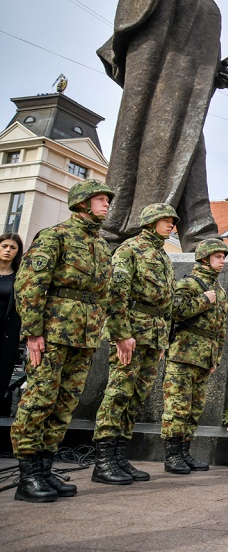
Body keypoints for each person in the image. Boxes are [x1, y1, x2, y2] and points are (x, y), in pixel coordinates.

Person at [99, 0, 228, 251]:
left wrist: (216, 72)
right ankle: (133, 226)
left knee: (190, 146)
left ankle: (198, 231)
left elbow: (194, 46)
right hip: (158, 86)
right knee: (169, 146)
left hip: (185, 87)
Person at [9, 180, 114, 502]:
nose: (106, 204)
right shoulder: (55, 236)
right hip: (53, 333)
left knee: (65, 403)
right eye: (100, 199)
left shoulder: (100, 246)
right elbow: (30, 285)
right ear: (82, 203)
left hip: (83, 337)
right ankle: (28, 474)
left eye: (107, 200)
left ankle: (44, 466)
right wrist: (32, 332)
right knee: (40, 399)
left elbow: (103, 295)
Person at [92, 203, 177, 485]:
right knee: (119, 393)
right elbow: (116, 293)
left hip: (153, 336)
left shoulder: (162, 255)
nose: (171, 225)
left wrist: (162, 339)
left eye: (173, 221)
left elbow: (165, 302)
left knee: (136, 396)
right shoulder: (130, 249)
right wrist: (120, 334)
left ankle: (119, 456)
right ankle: (103, 461)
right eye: (166, 220)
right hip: (131, 333)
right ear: (150, 222)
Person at [161, 238, 228, 474]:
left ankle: (184, 453)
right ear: (204, 258)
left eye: (223, 257)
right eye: (218, 257)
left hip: (204, 359)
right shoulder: (189, 283)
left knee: (194, 410)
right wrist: (203, 300)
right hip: (183, 356)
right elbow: (175, 311)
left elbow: (220, 329)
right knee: (177, 408)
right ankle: (172, 456)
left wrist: (215, 359)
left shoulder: (219, 290)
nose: (222, 261)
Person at [0, 233, 24, 417]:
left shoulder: (19, 278)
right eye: (4, 246)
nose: (7, 250)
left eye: (12, 247)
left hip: (6, 336)